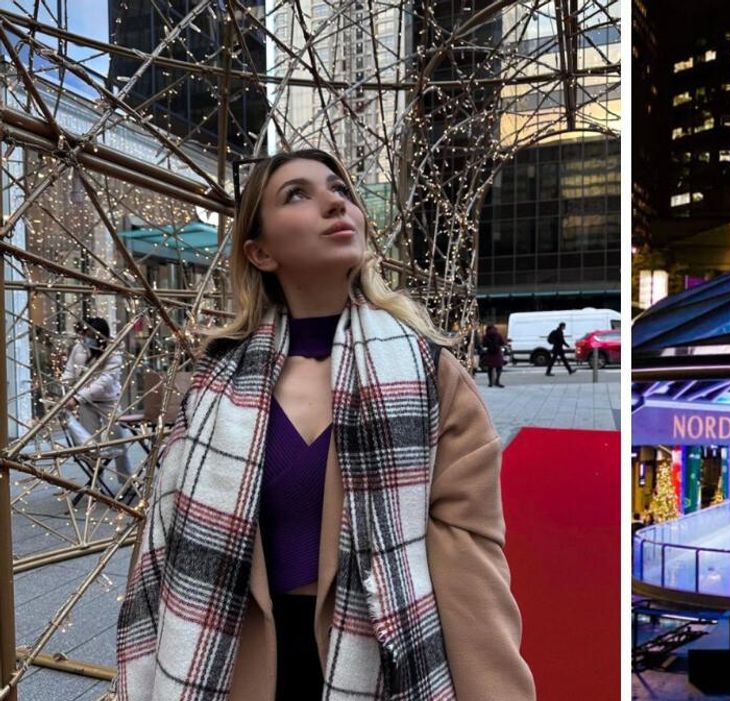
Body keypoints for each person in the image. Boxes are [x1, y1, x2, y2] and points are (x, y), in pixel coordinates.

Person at [113, 149, 534, 700]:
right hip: (231, 662)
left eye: (340, 190)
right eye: (298, 194)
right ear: (261, 252)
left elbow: (469, 551)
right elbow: (164, 540)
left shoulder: (429, 372)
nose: (336, 202)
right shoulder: (217, 381)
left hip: (382, 658)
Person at [60, 317, 132, 478]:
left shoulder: (114, 350)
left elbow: (104, 381)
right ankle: (95, 480)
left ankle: (125, 479)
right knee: (90, 445)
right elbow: (70, 370)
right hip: (86, 402)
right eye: (85, 334)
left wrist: (78, 398)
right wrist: (66, 387)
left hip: (108, 401)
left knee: (118, 440)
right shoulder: (79, 347)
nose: (86, 338)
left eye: (90, 335)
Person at [482, 324, 507, 388]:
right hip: (497, 353)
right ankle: (497, 381)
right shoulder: (498, 335)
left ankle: (490, 382)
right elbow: (502, 342)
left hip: (490, 353)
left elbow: (484, 344)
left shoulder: (486, 336)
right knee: (499, 367)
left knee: (490, 368)